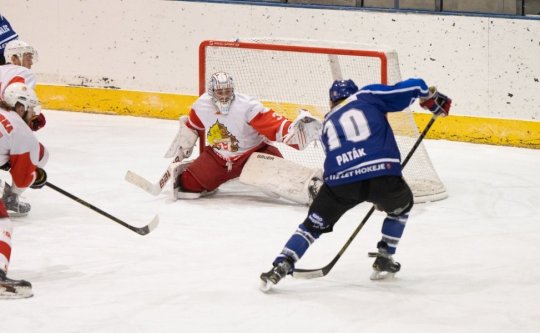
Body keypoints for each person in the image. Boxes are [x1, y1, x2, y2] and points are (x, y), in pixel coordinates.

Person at [259, 77, 452, 291]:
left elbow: (336, 154)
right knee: (401, 208)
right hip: (382, 175)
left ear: (331, 102)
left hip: (341, 182)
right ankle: (385, 256)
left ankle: (282, 264)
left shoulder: (327, 122)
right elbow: (414, 85)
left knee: (312, 226)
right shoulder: (366, 96)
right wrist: (430, 97)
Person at [169, 71, 321, 201]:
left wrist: (293, 130)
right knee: (188, 184)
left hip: (254, 155)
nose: (224, 96)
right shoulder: (201, 105)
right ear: (211, 91)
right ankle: (217, 174)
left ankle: (313, 185)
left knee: (283, 182)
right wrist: (185, 143)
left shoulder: (247, 106)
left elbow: (274, 125)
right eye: (219, 92)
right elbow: (194, 125)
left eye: (227, 91)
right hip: (219, 158)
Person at [0, 82, 48, 299]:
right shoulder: (21, 131)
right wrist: (32, 176)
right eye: (30, 109)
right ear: (20, 107)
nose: (33, 115)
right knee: (2, 223)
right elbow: (20, 181)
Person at [0, 39, 47, 216]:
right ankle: (11, 197)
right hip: (8, 125)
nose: (31, 62)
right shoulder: (23, 73)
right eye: (27, 57)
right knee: (39, 153)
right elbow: (18, 103)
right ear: (13, 57)